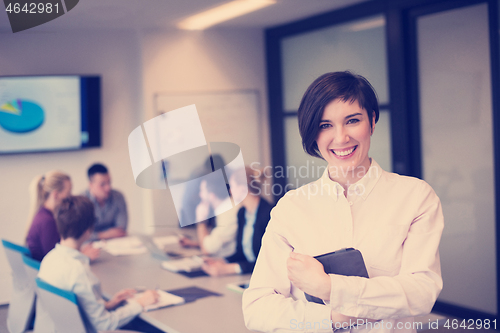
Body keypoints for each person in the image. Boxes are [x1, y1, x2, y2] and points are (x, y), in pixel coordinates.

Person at [242, 71, 444, 332]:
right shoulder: (292, 208)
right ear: (313, 133)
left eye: (352, 121)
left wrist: (328, 288)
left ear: (371, 121)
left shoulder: (415, 197)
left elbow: (421, 292)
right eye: (325, 125)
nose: (341, 138)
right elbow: (258, 310)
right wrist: (337, 319)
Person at [37, 195, 161, 332]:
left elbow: (72, 310)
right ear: (89, 230)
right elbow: (104, 325)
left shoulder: (48, 260)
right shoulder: (79, 272)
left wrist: (108, 305)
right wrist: (140, 303)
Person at [202, 166, 273, 276]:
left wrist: (229, 269)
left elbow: (269, 262)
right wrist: (223, 261)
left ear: (242, 189)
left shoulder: (268, 215)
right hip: (249, 276)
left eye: (232, 186)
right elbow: (242, 253)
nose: (230, 191)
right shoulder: (242, 213)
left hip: (266, 277)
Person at [26, 171, 99, 261]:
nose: (71, 196)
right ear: (56, 195)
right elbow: (56, 260)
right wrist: (83, 255)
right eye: (69, 192)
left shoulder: (44, 213)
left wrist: (79, 251)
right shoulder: (48, 221)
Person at [180, 173, 238, 258]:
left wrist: (201, 220)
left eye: (202, 191)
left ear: (212, 196)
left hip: (226, 262)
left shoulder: (228, 215)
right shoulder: (227, 208)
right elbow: (215, 242)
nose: (200, 195)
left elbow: (207, 250)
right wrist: (195, 244)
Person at [82, 163, 127, 240]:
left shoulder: (118, 196)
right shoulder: (81, 202)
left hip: (115, 243)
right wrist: (105, 234)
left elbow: (120, 230)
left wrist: (95, 234)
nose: (108, 188)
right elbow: (81, 235)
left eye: (109, 182)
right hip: (89, 246)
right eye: (102, 184)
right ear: (90, 185)